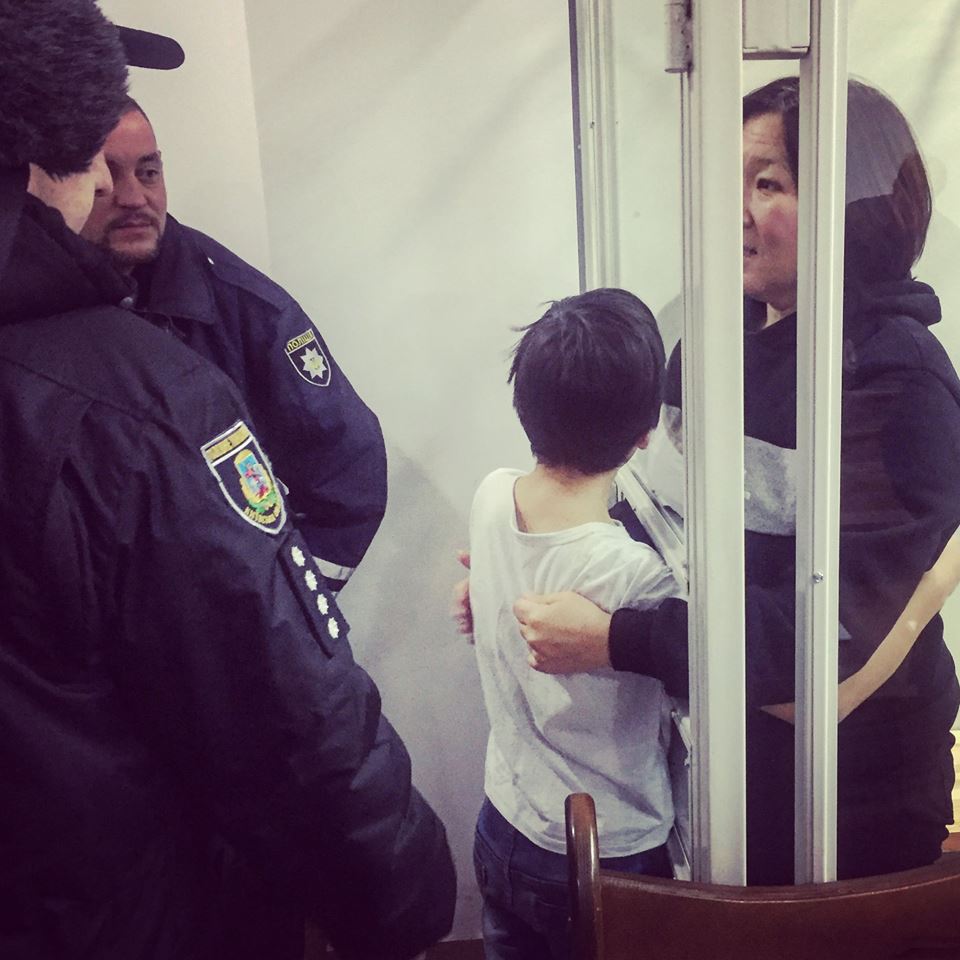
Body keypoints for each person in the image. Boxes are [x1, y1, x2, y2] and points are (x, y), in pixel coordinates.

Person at [0, 2, 455, 958]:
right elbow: (285, 718)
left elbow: (345, 471)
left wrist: (293, 588)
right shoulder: (141, 399)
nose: (123, 191)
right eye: (99, 160)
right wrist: (401, 895)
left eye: (150, 169)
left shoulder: (228, 301)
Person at [511, 77, 960, 884]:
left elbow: (827, 643)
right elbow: (649, 513)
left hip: (847, 798)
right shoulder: (715, 339)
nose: (738, 210)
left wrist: (617, 639)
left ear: (852, 203)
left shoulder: (894, 378)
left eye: (769, 183)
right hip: (714, 753)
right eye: (733, 181)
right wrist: (541, 562)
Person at [80, 97, 386, 591]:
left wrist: (287, 601)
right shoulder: (31, 311)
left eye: (149, 172)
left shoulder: (239, 304)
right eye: (108, 176)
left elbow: (347, 467)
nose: (134, 197)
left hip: (205, 617)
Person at [470, 289, 682, 959]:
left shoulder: (492, 493)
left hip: (504, 819)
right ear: (645, 434)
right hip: (604, 848)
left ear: (524, 405)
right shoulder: (636, 573)